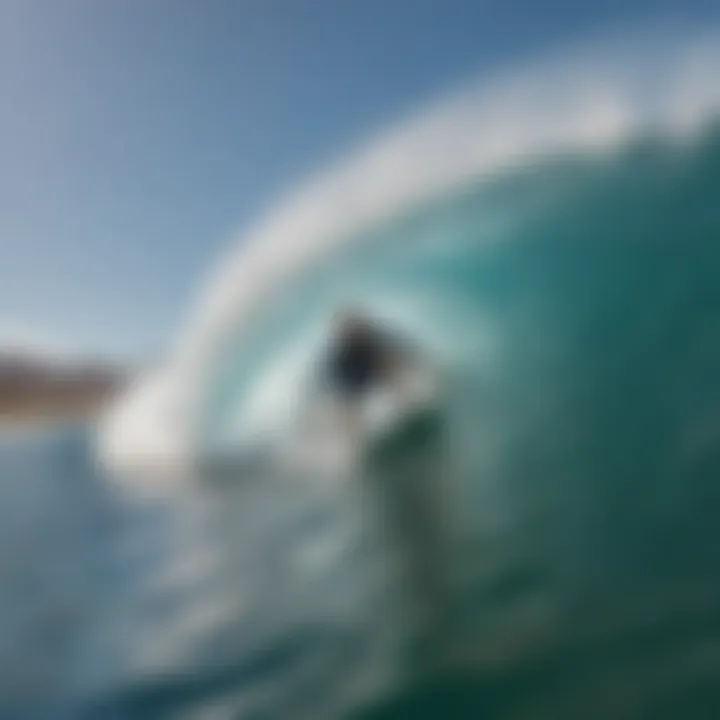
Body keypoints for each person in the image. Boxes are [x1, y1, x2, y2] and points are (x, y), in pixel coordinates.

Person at [322, 310, 405, 443]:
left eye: (358, 328)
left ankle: (403, 405)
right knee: (347, 407)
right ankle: (353, 435)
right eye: (351, 331)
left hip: (372, 373)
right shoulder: (342, 359)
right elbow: (339, 387)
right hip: (352, 382)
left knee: (390, 367)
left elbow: (393, 356)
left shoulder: (373, 339)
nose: (357, 332)